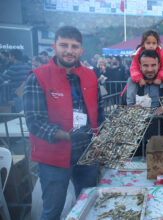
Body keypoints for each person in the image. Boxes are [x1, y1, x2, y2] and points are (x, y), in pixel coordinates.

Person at [23, 26, 105, 219]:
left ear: (81, 50)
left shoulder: (90, 75)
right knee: (53, 210)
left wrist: (102, 133)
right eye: (64, 45)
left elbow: (99, 111)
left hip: (87, 153)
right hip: (53, 157)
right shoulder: (38, 77)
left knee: (88, 203)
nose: (69, 50)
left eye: (74, 46)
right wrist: (66, 135)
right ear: (54, 46)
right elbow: (34, 121)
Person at [126, 50, 163, 155]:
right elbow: (128, 105)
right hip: (139, 133)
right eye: (145, 65)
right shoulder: (132, 81)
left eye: (153, 65)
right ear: (140, 66)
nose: (149, 69)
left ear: (159, 65)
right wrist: (133, 108)